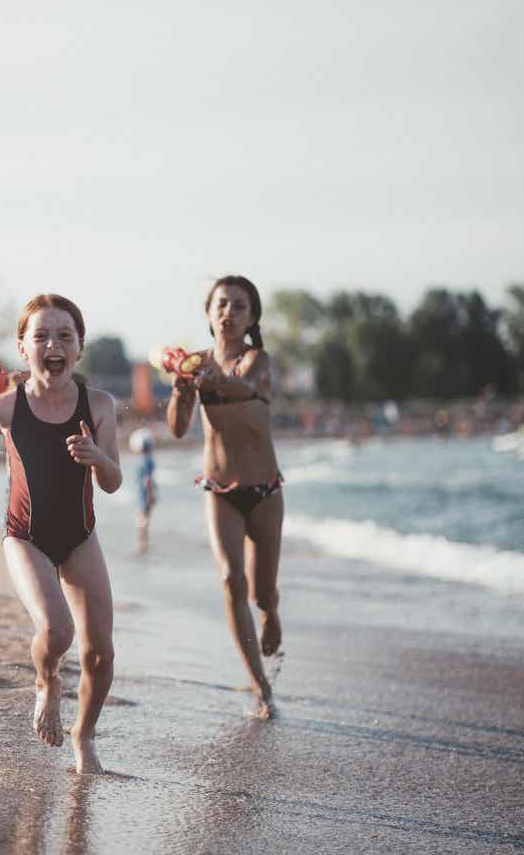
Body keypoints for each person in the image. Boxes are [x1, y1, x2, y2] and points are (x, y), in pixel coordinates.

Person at [0, 295, 122, 774]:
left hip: (80, 537)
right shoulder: (7, 408)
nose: (53, 344)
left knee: (101, 653)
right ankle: (46, 680)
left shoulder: (100, 405)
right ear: (23, 348)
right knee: (57, 631)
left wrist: (98, 457)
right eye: (42, 336)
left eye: (65, 336)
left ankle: (84, 737)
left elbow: (112, 483)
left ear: (79, 349)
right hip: (24, 535)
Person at [166, 275, 284, 719]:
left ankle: (272, 611)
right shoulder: (195, 367)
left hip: (265, 492)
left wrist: (208, 378)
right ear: (208, 313)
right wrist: (181, 392)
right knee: (231, 580)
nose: (228, 313)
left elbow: (243, 387)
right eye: (221, 304)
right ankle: (260, 684)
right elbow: (177, 428)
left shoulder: (258, 361)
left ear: (251, 316)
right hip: (220, 492)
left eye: (239, 306)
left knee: (261, 592)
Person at [130, 429, 157, 553]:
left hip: (140, 491)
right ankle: (143, 544)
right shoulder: (148, 460)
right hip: (145, 493)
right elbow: (148, 480)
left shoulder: (140, 460)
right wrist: (151, 494)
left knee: (141, 517)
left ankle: (141, 543)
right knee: (144, 518)